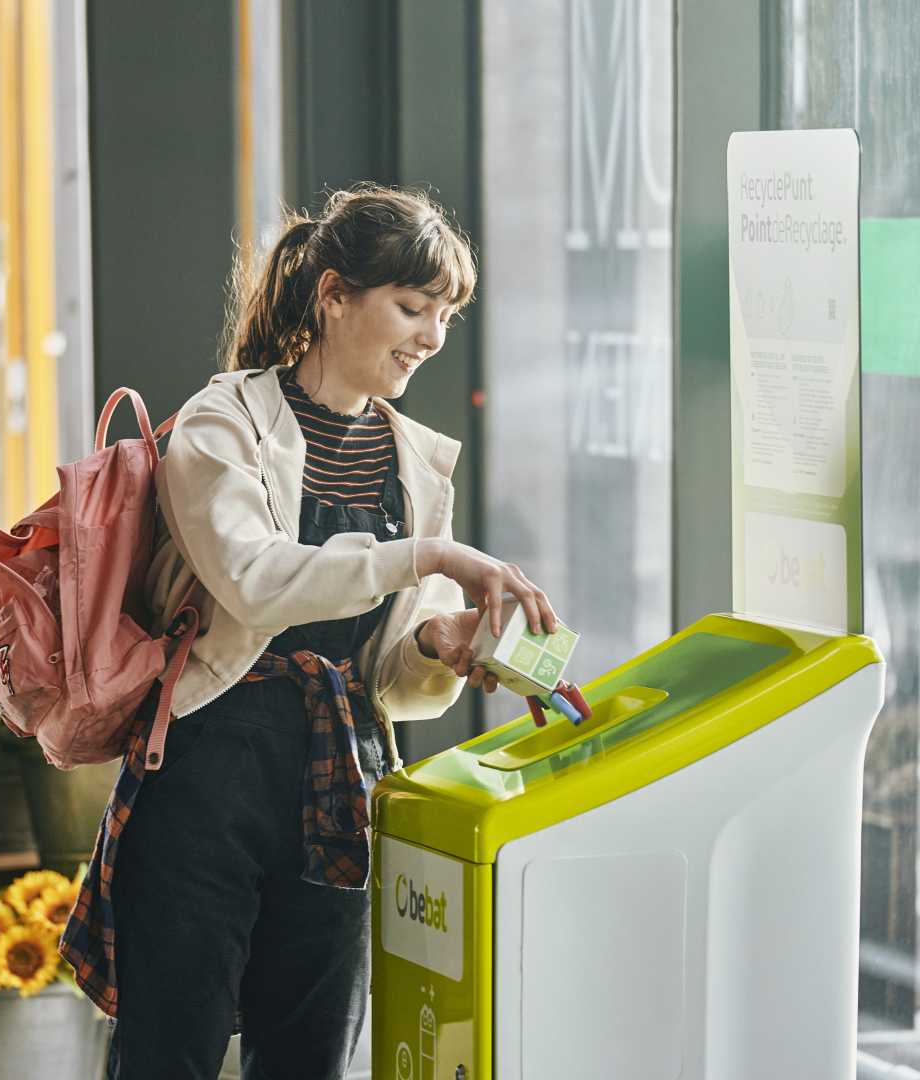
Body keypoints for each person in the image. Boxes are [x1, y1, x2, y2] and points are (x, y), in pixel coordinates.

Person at [63, 184, 559, 1080]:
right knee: (168, 1051)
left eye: (444, 314)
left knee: (311, 1057)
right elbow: (255, 581)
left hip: (340, 784)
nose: (431, 337)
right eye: (412, 307)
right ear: (333, 296)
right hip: (206, 776)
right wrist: (429, 554)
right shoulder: (224, 421)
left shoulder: (416, 460)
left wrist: (436, 645)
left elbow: (383, 670)